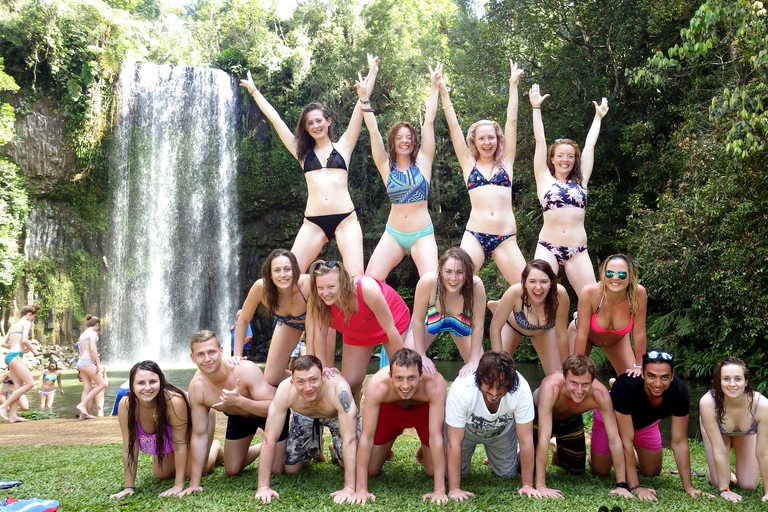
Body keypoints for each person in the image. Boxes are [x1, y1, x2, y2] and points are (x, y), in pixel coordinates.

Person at [239, 55, 379, 275]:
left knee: (356, 280)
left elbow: (360, 106)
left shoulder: (344, 146)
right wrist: (254, 91)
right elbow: (276, 119)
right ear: (306, 128)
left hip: (346, 219)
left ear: (328, 121)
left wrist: (373, 72)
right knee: (291, 274)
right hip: (313, 222)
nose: (315, 126)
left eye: (319, 121)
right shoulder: (302, 152)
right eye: (310, 123)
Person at [439, 61, 525, 285]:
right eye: (482, 138)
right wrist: (444, 92)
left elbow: (512, 121)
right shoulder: (469, 163)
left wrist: (513, 85)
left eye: (491, 138)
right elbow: (454, 127)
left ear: (498, 140)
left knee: (527, 288)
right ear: (474, 142)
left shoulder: (506, 161)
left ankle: (502, 310)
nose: (487, 142)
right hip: (475, 235)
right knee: (457, 284)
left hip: (505, 237)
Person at [178, 330, 290, 496]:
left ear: (221, 351)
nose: (207, 359)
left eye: (211, 352)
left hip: (269, 415)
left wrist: (240, 401)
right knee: (232, 470)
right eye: (200, 354)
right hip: (239, 418)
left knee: (278, 469)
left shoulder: (244, 370)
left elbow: (274, 407)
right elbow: (199, 435)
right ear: (192, 358)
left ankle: (291, 443)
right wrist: (194, 483)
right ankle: (263, 447)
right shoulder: (197, 388)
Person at [355, 63, 440, 281]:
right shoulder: (385, 165)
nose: (405, 141)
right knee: (369, 282)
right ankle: (393, 317)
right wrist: (364, 99)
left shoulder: (423, 161)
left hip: (422, 234)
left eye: (409, 137)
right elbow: (373, 131)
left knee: (431, 282)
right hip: (394, 233)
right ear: (393, 141)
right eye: (399, 137)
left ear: (414, 141)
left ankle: (424, 316)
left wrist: (434, 87)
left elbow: (429, 121)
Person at [590, 350, 710, 500]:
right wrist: (636, 487)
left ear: (672, 375)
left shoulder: (679, 391)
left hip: (646, 422)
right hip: (613, 420)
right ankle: (612, 389)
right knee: (600, 471)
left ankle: (630, 458)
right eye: (651, 376)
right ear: (642, 373)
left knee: (652, 471)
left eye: (664, 377)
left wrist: (689, 487)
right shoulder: (626, 387)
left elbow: (679, 441)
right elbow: (625, 441)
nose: (658, 384)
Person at [528, 83, 609, 296]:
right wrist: (536, 109)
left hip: (577, 250)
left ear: (575, 160)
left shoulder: (581, 180)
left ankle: (577, 324)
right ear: (552, 159)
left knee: (594, 299)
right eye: (560, 156)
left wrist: (598, 117)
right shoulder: (544, 179)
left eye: (570, 156)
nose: (565, 160)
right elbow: (539, 140)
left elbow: (590, 145)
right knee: (536, 296)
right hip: (548, 246)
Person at [254, 355, 359, 504]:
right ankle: (315, 446)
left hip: (336, 416)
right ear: (292, 380)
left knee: (351, 464)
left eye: (313, 380)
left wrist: (349, 488)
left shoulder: (338, 389)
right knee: (291, 469)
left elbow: (350, 439)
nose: (308, 388)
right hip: (306, 415)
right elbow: (269, 437)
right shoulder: (285, 390)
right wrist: (263, 486)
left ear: (323, 376)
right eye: (301, 382)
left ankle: (334, 450)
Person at [109, 361, 222, 499]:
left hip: (195, 420)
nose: (147, 388)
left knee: (193, 472)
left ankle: (215, 448)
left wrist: (178, 486)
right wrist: (128, 487)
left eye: (152, 381)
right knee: (161, 474)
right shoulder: (127, 405)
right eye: (141, 383)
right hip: (168, 432)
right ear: (132, 385)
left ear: (161, 381)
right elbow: (129, 448)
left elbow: (180, 444)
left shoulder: (173, 401)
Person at [351, 348, 448, 505]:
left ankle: (425, 448)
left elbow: (436, 436)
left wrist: (439, 490)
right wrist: (362, 489)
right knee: (371, 470)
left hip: (423, 413)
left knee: (433, 472)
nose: (405, 385)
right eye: (399, 378)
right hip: (389, 413)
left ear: (421, 375)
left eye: (411, 378)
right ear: (390, 376)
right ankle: (338, 450)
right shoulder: (377, 385)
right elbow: (367, 437)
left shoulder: (435, 383)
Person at [305, 259, 409, 401]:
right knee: (350, 383)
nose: (325, 293)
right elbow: (320, 335)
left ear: (343, 283)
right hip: (356, 331)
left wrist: (403, 361)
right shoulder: (318, 301)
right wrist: (322, 367)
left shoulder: (366, 288)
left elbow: (390, 329)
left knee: (401, 375)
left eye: (331, 286)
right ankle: (355, 410)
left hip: (392, 323)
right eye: (321, 288)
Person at [532, 354, 632, 499]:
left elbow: (614, 439)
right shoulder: (551, 387)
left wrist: (621, 485)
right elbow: (543, 436)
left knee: (576, 470)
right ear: (564, 377)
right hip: (538, 415)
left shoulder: (600, 394)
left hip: (570, 418)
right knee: (524, 467)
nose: (579, 390)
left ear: (592, 381)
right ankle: (519, 450)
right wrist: (541, 486)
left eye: (585, 384)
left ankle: (556, 447)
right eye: (573, 383)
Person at [445, 351, 539, 500]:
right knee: (449, 473)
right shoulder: (461, 389)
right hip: (465, 432)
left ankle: (504, 455)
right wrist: (455, 489)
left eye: (502, 386)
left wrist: (527, 484)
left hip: (502, 431)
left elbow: (526, 440)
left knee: (507, 474)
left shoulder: (521, 389)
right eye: (488, 384)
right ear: (479, 378)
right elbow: (454, 442)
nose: (494, 392)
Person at [233, 249, 329, 388]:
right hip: (288, 324)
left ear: (295, 271)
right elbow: (243, 320)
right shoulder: (261, 287)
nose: (282, 275)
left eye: (287, 269)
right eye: (277, 270)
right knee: (271, 378)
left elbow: (313, 328)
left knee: (321, 371)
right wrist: (237, 355)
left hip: (320, 325)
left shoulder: (308, 285)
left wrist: (311, 362)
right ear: (270, 274)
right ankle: (299, 380)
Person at [408, 247, 486, 376]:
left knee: (481, 370)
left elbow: (478, 326)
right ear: (439, 271)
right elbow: (418, 320)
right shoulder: (428, 282)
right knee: (409, 363)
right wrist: (421, 355)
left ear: (467, 273)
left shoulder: (475, 285)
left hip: (461, 323)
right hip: (429, 321)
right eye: (448, 272)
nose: (453, 278)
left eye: (459, 272)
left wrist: (473, 361)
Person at [699, 357, 767, 502]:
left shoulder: (762, 405)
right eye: (726, 379)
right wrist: (725, 490)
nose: (732, 384)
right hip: (718, 430)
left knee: (749, 484)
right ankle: (715, 472)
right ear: (719, 381)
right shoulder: (708, 403)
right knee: (717, 481)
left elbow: (763, 452)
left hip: (746, 433)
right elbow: (719, 449)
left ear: (746, 381)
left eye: (737, 379)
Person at [489, 259, 570, 375]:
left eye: (543, 282)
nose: (538, 287)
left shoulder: (560, 295)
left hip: (543, 331)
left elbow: (562, 334)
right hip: (513, 325)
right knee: (498, 372)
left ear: (552, 282)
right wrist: (497, 362)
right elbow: (495, 328)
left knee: (557, 375)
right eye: (532, 281)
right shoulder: (514, 292)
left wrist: (566, 368)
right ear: (524, 282)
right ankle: (498, 307)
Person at [572, 254, 648, 376]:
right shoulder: (590, 292)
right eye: (609, 273)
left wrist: (640, 365)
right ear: (603, 275)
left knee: (634, 382)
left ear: (630, 277)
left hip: (616, 339)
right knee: (575, 377)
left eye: (622, 274)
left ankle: (614, 387)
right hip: (583, 335)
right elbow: (582, 333)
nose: (615, 278)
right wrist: (577, 365)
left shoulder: (638, 294)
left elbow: (639, 332)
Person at [0, 304, 41, 422]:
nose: (33, 319)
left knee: (18, 386)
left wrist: (22, 349)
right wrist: (34, 352)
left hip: (10, 356)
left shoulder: (14, 326)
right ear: (29, 314)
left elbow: (3, 343)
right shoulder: (26, 323)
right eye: (34, 317)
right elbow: (24, 340)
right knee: (29, 383)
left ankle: (13, 415)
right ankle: (3, 407)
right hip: (16, 357)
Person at [74, 314, 107, 420]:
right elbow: (93, 349)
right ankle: (82, 404)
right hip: (88, 361)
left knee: (86, 388)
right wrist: (97, 362)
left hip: (81, 362)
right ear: (97, 324)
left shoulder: (83, 334)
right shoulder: (92, 333)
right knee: (102, 383)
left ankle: (83, 414)